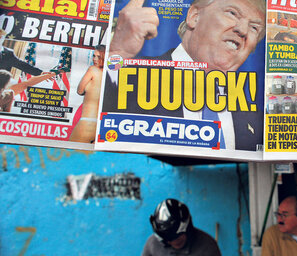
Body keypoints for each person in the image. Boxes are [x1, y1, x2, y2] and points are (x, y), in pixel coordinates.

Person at [102, 0, 266, 151]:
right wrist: (118, 53)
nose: (243, 30)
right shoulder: (130, 78)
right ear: (194, 17)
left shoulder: (255, 121)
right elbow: (91, 124)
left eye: (254, 28)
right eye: (232, 13)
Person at [69, 45, 105, 143]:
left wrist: (89, 86)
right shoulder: (110, 73)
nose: (95, 59)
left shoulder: (93, 70)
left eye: (99, 57)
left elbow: (80, 90)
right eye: (94, 56)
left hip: (88, 122)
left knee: (70, 154)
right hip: (102, 126)